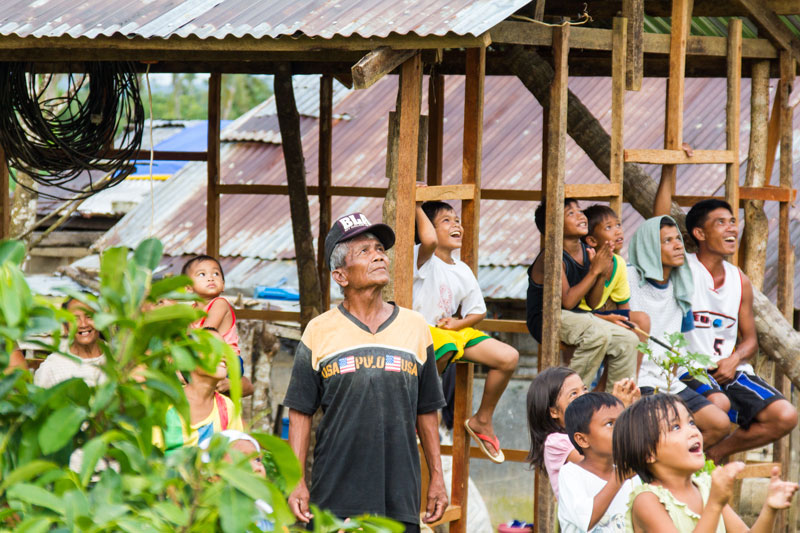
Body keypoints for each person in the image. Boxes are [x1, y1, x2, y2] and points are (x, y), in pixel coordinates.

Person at [283, 212, 447, 532]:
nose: (378, 256)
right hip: (336, 494)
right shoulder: (319, 331)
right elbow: (300, 410)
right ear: (341, 276)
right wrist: (296, 480)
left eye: (379, 249)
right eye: (365, 251)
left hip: (400, 494)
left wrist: (437, 478)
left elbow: (427, 409)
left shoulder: (415, 327)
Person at [654, 184, 797, 462]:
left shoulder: (739, 280)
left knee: (786, 416)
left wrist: (735, 359)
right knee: (716, 408)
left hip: (728, 370)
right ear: (700, 233)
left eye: (733, 222)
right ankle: (670, 464)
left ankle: (715, 454)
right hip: (686, 367)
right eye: (721, 223)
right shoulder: (683, 268)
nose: (732, 228)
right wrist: (669, 171)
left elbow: (751, 340)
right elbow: (658, 226)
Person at [413, 200, 518, 463]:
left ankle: (482, 420)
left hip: (448, 332)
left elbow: (478, 311)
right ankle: (416, 411)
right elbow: (427, 241)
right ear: (428, 228)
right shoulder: (422, 257)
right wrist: (416, 205)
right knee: (446, 348)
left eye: (457, 219)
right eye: (446, 221)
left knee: (508, 357)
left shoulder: (462, 269)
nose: (456, 224)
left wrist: (457, 324)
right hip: (420, 330)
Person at [614, 394, 798, 532]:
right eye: (676, 427)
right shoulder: (648, 501)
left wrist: (770, 507)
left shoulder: (704, 487)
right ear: (649, 454)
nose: (693, 431)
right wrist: (715, 504)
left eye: (692, 422)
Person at [627, 215, 731, 447]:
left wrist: (671, 375)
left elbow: (678, 341)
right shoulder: (628, 278)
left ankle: (677, 473)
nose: (677, 246)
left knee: (720, 424)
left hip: (668, 378)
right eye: (667, 241)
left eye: (678, 239)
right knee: (663, 435)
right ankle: (660, 475)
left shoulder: (681, 282)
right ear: (649, 248)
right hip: (637, 378)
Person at [527, 199, 639, 388]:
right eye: (571, 213)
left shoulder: (587, 250)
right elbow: (569, 301)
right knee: (597, 333)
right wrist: (594, 271)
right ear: (553, 225)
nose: (580, 215)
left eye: (579, 210)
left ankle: (613, 403)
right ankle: (571, 395)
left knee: (628, 339)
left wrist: (601, 274)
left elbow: (592, 302)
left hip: (578, 317)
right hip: (547, 317)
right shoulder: (552, 256)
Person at [526, 366, 639, 497]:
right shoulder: (556, 442)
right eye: (573, 394)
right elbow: (598, 463)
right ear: (554, 411)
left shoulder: (589, 430)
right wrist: (617, 410)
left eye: (584, 389)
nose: (584, 396)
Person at [153, 329, 244, 455]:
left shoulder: (227, 408)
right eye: (213, 347)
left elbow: (236, 458)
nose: (223, 354)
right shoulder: (164, 405)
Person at [558, 392, 638, 532]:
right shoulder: (571, 474)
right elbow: (587, 520)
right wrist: (619, 478)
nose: (620, 429)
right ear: (582, 440)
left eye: (622, 422)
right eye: (610, 424)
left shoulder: (632, 476)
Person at [182, 255, 253, 398]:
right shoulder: (191, 311)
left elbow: (204, 334)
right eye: (202, 274)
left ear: (223, 284)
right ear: (188, 288)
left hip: (227, 363)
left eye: (216, 274)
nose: (211, 278)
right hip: (205, 360)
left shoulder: (220, 304)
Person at [34, 296, 106, 388]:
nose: (83, 324)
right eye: (74, 319)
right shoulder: (52, 367)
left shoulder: (118, 358)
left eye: (89, 316)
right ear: (65, 327)